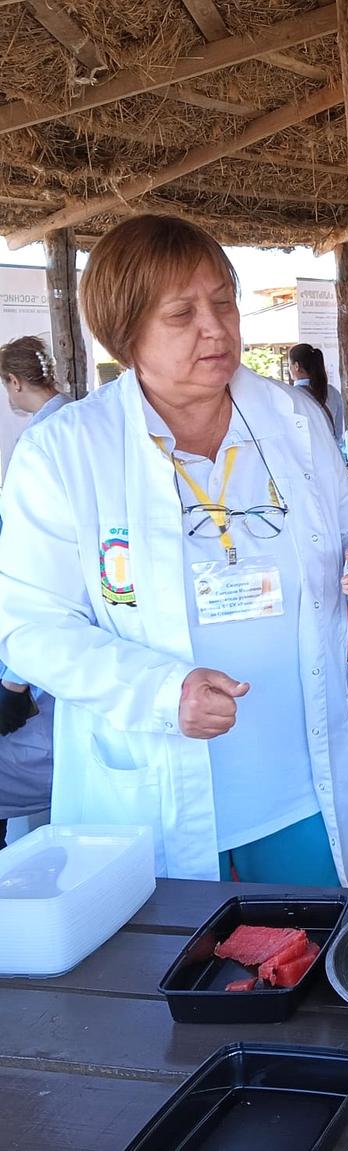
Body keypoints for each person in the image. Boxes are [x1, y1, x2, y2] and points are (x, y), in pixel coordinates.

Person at [0, 214, 348, 886]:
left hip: (300, 780)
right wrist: (160, 691)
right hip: (154, 790)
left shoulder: (291, 418)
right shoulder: (67, 451)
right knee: (178, 975)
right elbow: (29, 628)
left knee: (310, 958)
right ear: (127, 336)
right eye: (182, 313)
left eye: (223, 301)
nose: (216, 327)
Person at [0, 335, 66, 843]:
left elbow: (40, 569)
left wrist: (14, 681)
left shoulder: (42, 445)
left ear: (15, 382)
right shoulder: (76, 424)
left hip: (49, 650)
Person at [288, 342, 344, 441]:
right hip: (332, 453)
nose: (289, 369)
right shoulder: (332, 391)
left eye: (289, 365)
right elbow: (338, 433)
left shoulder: (291, 395)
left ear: (296, 366)